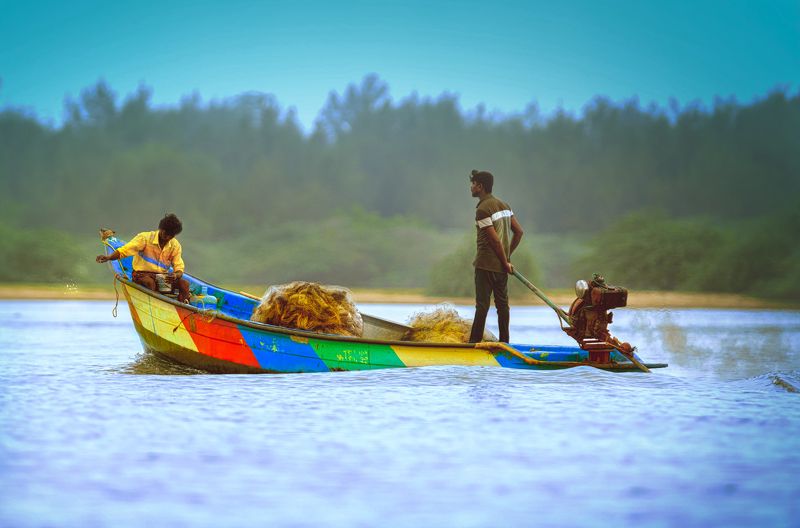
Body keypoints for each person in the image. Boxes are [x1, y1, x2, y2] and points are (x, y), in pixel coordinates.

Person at [468, 169, 524, 343]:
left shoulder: (483, 209)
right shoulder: (505, 205)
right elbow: (519, 232)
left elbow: (494, 241)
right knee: (502, 306)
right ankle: (504, 343)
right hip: (501, 267)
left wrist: (504, 259)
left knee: (482, 306)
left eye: (473, 184)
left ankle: (473, 344)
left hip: (485, 265)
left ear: (481, 186)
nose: (471, 187)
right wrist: (506, 260)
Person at [96, 213, 190, 302]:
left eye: (170, 236)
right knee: (150, 283)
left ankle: (184, 306)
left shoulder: (175, 245)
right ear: (161, 229)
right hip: (141, 275)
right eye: (165, 234)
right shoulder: (145, 238)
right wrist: (108, 257)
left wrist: (175, 275)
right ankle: (154, 304)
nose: (167, 238)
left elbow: (179, 267)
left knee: (184, 284)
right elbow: (124, 251)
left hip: (161, 277)